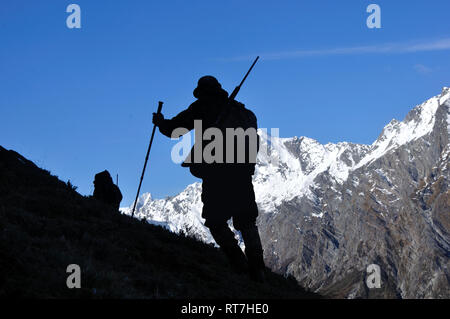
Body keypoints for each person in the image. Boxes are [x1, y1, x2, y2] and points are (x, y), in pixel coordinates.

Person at [152, 76, 265, 281]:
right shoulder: (243, 112)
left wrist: (160, 123)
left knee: (215, 221)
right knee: (247, 222)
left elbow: (174, 130)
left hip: (216, 176)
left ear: (202, 92)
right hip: (241, 175)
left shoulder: (201, 108)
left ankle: (238, 264)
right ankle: (258, 270)